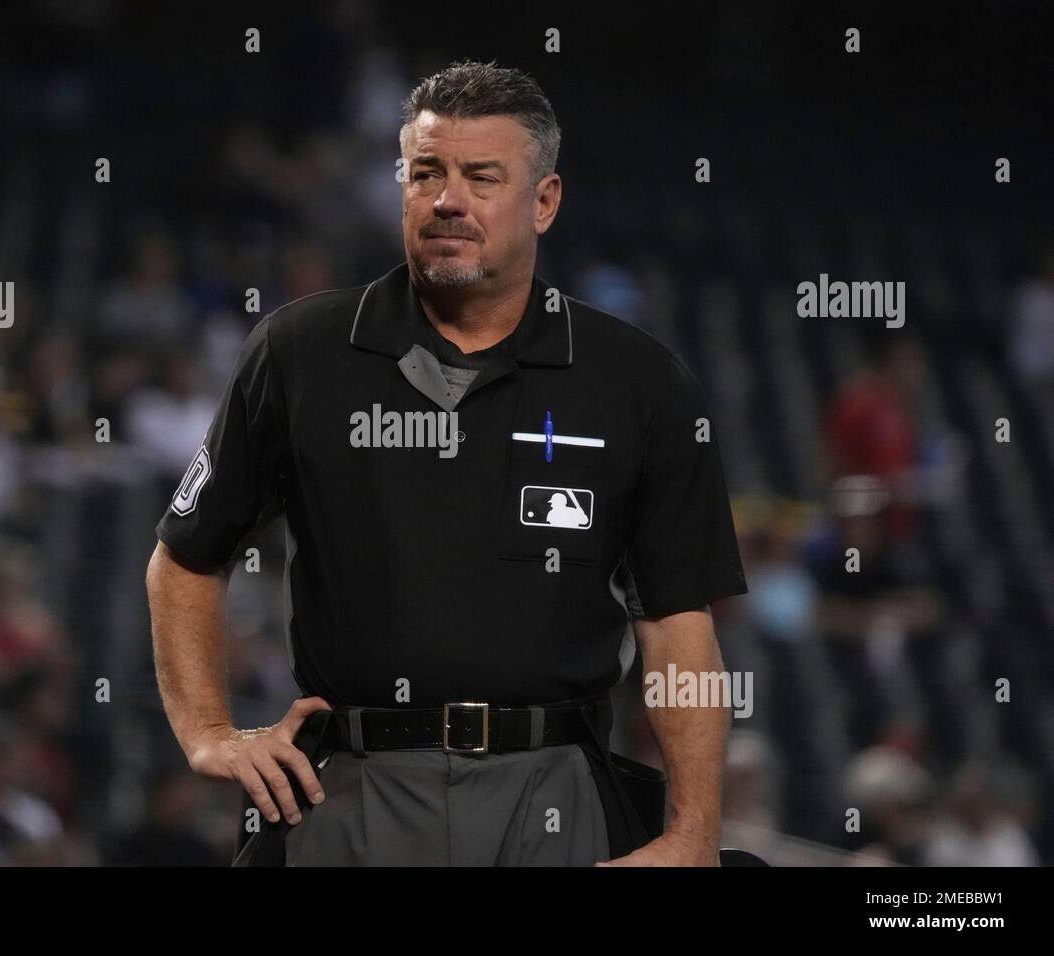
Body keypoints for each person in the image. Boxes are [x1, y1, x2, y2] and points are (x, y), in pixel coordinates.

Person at [147, 60, 748, 866]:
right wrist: (209, 733)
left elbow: (678, 623)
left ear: (544, 201)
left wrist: (696, 832)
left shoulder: (638, 381)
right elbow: (184, 560)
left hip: (555, 790)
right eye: (425, 172)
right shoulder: (302, 352)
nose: (447, 200)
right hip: (353, 791)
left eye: (480, 176)